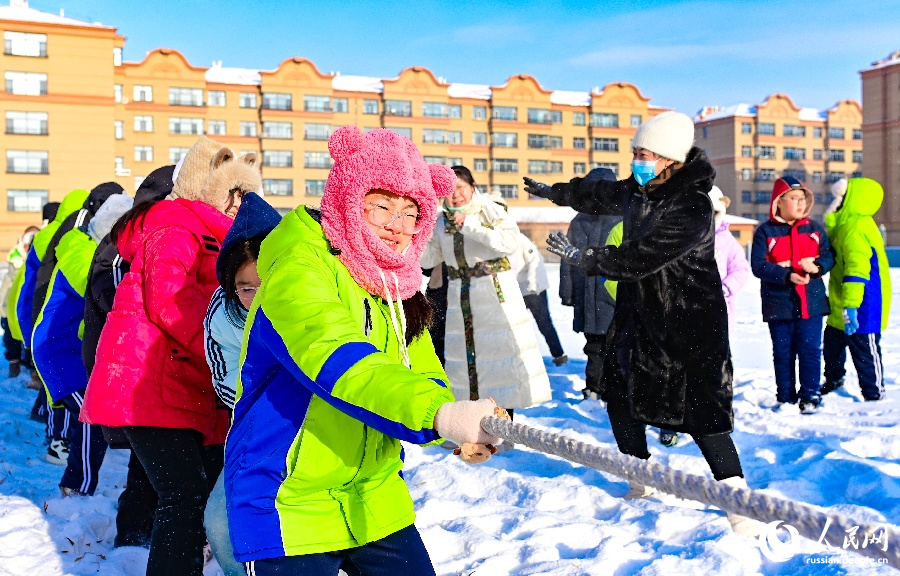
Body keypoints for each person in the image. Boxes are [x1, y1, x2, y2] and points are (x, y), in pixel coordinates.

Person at [225, 126, 504, 576]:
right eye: (381, 205)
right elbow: (340, 361)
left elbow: (422, 375)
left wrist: (452, 420)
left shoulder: (397, 285)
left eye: (411, 212)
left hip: (373, 497)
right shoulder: (299, 267)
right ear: (346, 198)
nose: (396, 225)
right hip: (288, 501)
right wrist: (437, 413)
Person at [526, 111, 761, 535]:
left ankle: (736, 499)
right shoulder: (638, 192)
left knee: (703, 415)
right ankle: (640, 477)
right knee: (620, 397)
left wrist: (589, 259)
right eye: (635, 152)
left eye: (644, 153)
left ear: (669, 158)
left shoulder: (692, 204)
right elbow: (599, 195)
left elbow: (645, 255)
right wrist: (557, 193)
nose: (636, 160)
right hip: (638, 317)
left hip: (689, 325)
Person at [80, 136, 259, 576]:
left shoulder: (211, 233)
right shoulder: (177, 227)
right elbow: (170, 299)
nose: (239, 206)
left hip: (175, 382)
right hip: (148, 382)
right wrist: (225, 355)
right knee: (183, 493)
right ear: (208, 186)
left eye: (245, 196)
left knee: (192, 492)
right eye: (232, 196)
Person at [82, 165, 175, 547]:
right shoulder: (132, 237)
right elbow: (112, 293)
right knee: (152, 468)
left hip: (140, 368)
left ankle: (139, 536)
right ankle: (135, 538)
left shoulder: (140, 233)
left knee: (152, 465)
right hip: (134, 371)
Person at [420, 165, 551, 422]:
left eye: (461, 188)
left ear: (472, 187)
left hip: (493, 292)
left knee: (499, 359)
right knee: (465, 361)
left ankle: (504, 424)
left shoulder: (487, 210)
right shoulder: (440, 221)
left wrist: (469, 225)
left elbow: (509, 242)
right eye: (449, 190)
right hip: (460, 296)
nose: (455, 195)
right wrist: (416, 237)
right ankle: (469, 425)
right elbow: (429, 259)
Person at [32, 194, 134, 496]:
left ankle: (76, 482)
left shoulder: (86, 247)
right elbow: (95, 287)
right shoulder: (81, 251)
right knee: (92, 415)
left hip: (66, 348)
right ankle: (76, 485)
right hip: (56, 348)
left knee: (91, 414)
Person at [202, 192, 281, 576]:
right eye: (246, 287)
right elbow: (228, 384)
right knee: (220, 522)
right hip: (259, 434)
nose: (257, 296)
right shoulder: (224, 316)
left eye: (267, 281)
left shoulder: (315, 302)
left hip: (325, 434)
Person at [17, 190, 90, 464]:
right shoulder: (71, 240)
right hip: (54, 329)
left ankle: (55, 435)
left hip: (41, 322)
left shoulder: (51, 237)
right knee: (65, 389)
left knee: (57, 391)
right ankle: (60, 443)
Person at [750, 176, 834, 413]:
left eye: (803, 198)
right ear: (779, 201)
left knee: (810, 351)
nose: (800, 203)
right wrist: (786, 275)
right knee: (783, 353)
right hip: (779, 305)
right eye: (794, 198)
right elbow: (758, 265)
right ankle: (785, 396)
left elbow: (829, 256)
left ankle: (810, 395)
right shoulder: (765, 232)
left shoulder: (815, 229)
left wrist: (817, 267)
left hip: (812, 304)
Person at [821, 178, 891, 401]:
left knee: (864, 349)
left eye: (841, 198)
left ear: (852, 200)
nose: (836, 202)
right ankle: (834, 381)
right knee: (832, 344)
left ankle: (874, 392)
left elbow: (857, 269)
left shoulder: (856, 228)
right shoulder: (845, 226)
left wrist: (851, 305)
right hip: (841, 300)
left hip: (864, 302)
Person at [559, 168, 621, 400]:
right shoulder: (579, 220)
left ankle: (612, 389)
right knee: (594, 345)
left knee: (615, 346)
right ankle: (593, 388)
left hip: (613, 294)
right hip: (587, 296)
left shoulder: (624, 218)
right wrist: (568, 293)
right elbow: (567, 260)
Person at [1, 226, 38, 377]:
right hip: (10, 307)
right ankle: (14, 364)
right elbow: (7, 289)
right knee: (12, 340)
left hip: (25, 307)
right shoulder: (16, 261)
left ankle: (29, 366)